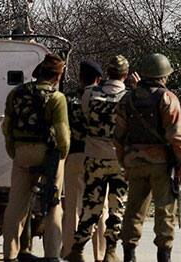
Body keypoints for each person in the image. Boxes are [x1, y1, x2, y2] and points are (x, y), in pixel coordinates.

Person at [115, 53, 181, 262]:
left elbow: (118, 136)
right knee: (164, 210)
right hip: (162, 164)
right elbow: (177, 135)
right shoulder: (167, 98)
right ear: (164, 75)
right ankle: (163, 256)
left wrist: (124, 162)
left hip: (135, 162)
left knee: (133, 210)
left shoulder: (127, 99)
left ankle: (129, 254)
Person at [2, 54, 70, 262]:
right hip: (49, 153)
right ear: (57, 76)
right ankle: (52, 255)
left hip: (21, 151)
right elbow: (62, 134)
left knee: (16, 205)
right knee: (52, 203)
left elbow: (7, 127)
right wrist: (62, 156)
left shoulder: (16, 93)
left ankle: (10, 254)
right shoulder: (56, 98)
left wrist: (14, 151)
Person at [67, 55, 129, 262]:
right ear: (126, 74)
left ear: (107, 73)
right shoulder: (129, 97)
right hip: (120, 159)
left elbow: (85, 117)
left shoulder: (89, 94)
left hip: (94, 156)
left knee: (90, 205)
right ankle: (110, 250)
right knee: (116, 206)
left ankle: (78, 248)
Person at [62, 60, 105, 262]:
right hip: (98, 155)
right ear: (98, 78)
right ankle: (101, 253)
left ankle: (70, 250)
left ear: (80, 78)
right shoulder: (103, 98)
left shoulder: (68, 99)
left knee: (71, 207)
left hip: (75, 155)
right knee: (100, 207)